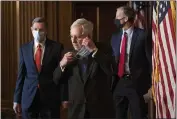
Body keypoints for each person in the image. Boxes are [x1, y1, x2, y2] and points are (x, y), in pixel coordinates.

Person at [53, 18, 115, 119]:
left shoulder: (104, 49)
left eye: (77, 37)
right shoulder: (67, 53)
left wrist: (94, 50)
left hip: (99, 110)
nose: (73, 41)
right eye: (71, 37)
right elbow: (56, 79)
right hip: (77, 110)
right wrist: (62, 64)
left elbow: (111, 70)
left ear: (88, 37)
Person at [13, 17, 65, 119]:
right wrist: (16, 99)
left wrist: (64, 98)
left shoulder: (57, 47)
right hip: (28, 98)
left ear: (46, 31)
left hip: (50, 98)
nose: (38, 32)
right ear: (31, 29)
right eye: (35, 29)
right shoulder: (24, 48)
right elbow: (21, 75)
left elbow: (61, 75)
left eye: (41, 30)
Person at [111, 6, 151, 119]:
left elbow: (150, 61)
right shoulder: (114, 37)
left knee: (138, 115)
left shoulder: (143, 35)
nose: (115, 19)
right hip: (119, 82)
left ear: (125, 18)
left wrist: (151, 85)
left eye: (117, 17)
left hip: (137, 84)